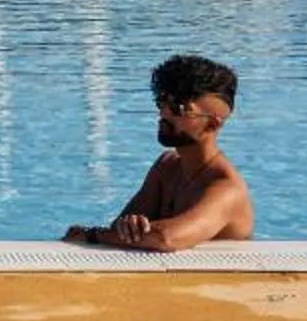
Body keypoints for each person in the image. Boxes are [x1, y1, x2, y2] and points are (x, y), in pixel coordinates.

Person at [65, 55, 254, 251]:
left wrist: (91, 235)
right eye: (162, 103)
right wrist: (129, 226)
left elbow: (166, 238)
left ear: (213, 123)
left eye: (177, 109)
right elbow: (119, 230)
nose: (164, 114)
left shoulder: (227, 190)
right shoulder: (167, 167)